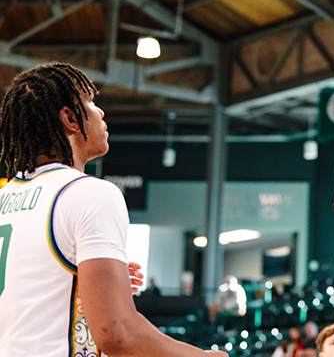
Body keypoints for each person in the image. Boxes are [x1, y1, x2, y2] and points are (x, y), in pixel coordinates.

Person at [0, 62, 224, 357]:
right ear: (69, 118)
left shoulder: (6, 196)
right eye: (90, 103)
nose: (100, 112)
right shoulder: (89, 193)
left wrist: (89, 282)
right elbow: (117, 333)